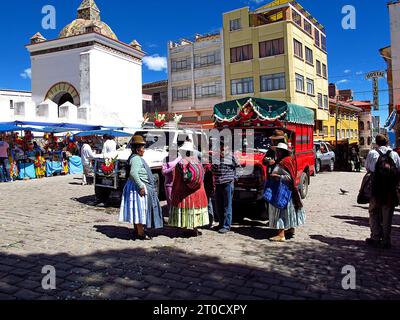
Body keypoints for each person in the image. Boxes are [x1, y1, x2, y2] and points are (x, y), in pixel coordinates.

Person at [119, 135, 163, 240]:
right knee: (139, 210)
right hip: (136, 187)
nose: (144, 150)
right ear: (138, 149)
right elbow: (133, 173)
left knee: (136, 209)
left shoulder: (134, 157)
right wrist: (140, 186)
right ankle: (140, 233)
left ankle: (137, 230)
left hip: (133, 186)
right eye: (143, 148)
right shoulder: (136, 159)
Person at [365, 134, 400, 249]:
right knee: (388, 215)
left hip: (376, 188)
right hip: (390, 189)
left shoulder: (372, 153)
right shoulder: (394, 154)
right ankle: (386, 240)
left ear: (376, 142)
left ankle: (375, 237)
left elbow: (367, 168)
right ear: (387, 142)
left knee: (374, 212)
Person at [169, 140, 209, 236]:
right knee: (194, 210)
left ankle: (185, 228)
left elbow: (184, 177)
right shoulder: (197, 161)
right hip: (198, 190)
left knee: (185, 209)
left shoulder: (181, 163)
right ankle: (195, 229)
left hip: (184, 191)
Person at [267, 143, 306, 242]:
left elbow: (288, 177)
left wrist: (278, 176)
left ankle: (281, 234)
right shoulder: (289, 160)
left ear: (281, 152)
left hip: (284, 191)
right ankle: (291, 228)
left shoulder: (284, 162)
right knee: (290, 211)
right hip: (290, 190)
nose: (277, 152)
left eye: (278, 151)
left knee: (280, 211)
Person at [211, 141, 240, 234]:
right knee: (219, 205)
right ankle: (221, 224)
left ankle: (226, 226)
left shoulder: (232, 157)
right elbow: (213, 169)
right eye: (220, 148)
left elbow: (239, 168)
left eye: (223, 148)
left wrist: (234, 178)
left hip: (228, 183)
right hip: (218, 184)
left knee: (227, 205)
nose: (222, 150)